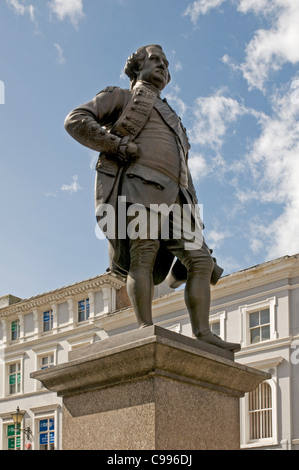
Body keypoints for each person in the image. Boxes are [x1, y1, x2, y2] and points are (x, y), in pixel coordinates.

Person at [64, 44, 240, 352]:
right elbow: (76, 120)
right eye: (154, 60)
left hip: (177, 198)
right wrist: (115, 145)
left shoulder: (172, 116)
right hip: (139, 187)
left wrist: (195, 214)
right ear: (136, 67)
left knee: (200, 261)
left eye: (166, 63)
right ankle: (145, 326)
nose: (162, 66)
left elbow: (183, 169)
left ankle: (203, 332)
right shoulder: (121, 97)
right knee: (141, 257)